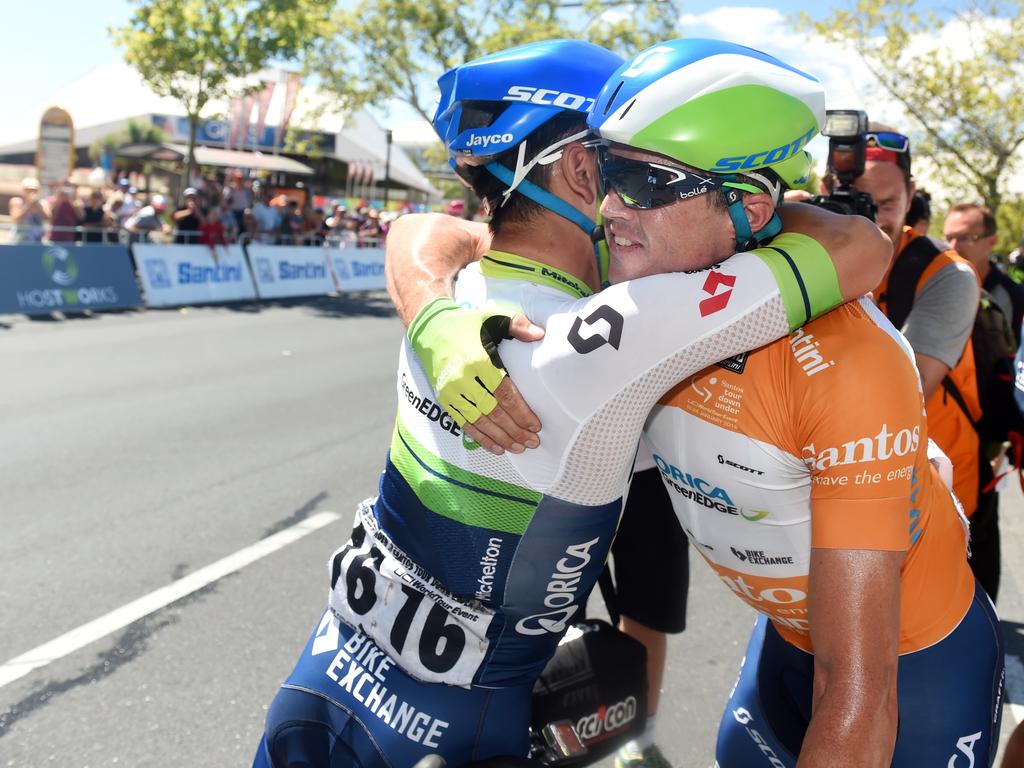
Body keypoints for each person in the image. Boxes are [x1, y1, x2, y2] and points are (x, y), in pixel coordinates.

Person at [253, 38, 886, 768]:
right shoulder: (621, 333)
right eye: (631, 168)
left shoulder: (458, 290)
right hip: (460, 732)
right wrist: (757, 201)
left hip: (324, 677)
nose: (635, 191)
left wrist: (427, 310)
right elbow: (861, 248)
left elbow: (427, 229)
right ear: (585, 171)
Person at [390, 39, 1004, 766]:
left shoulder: (848, 364)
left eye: (645, 182)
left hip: (911, 667)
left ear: (747, 206)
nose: (609, 207)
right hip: (785, 640)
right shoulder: (641, 265)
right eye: (606, 169)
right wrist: (433, 312)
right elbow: (433, 228)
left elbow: (858, 694)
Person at [847, 127, 983, 523]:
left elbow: (908, 389)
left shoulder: (948, 274)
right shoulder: (798, 251)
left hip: (943, 495)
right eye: (858, 200)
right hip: (848, 489)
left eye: (888, 202)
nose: (872, 217)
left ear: (911, 193)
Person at [945, 202, 1024, 341]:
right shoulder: (934, 287)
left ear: (992, 241)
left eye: (964, 237)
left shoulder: (1013, 296)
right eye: (949, 238)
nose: (953, 246)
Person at [8, 177, 49, 244]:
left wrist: (38, 206)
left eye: (34, 190)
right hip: (18, 240)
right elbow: (15, 218)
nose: (31, 192)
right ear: (23, 190)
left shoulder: (43, 203)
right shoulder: (17, 201)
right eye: (28, 190)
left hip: (37, 240)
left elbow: (47, 217)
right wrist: (29, 205)